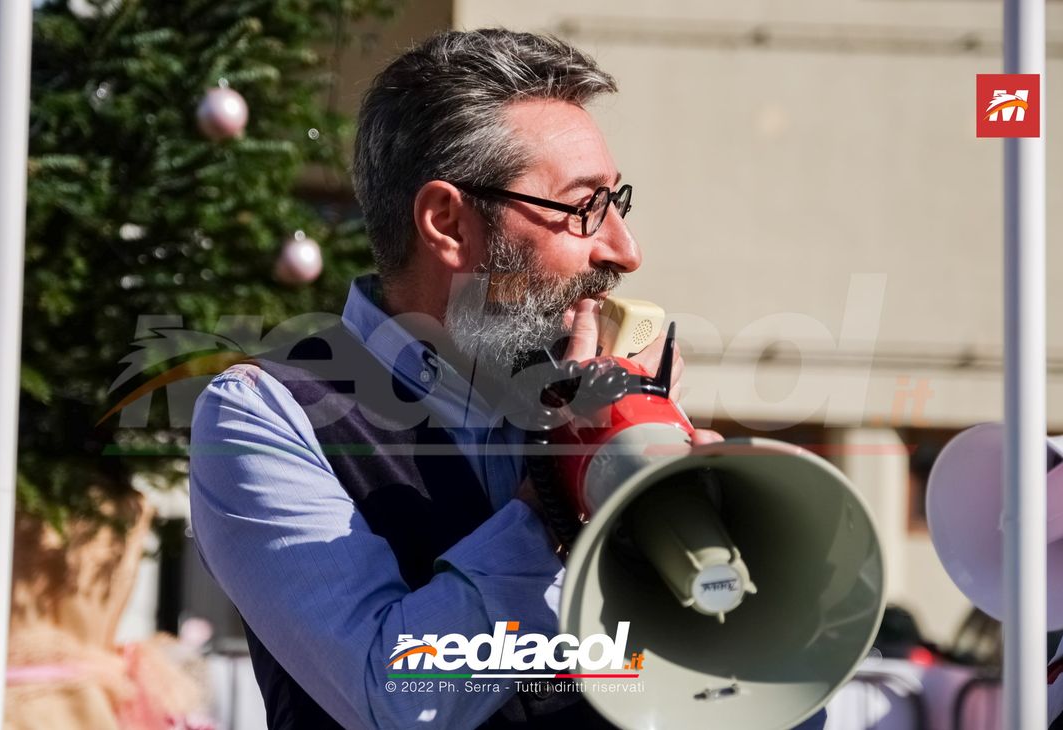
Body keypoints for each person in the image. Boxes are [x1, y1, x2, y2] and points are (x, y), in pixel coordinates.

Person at [189, 29, 826, 730]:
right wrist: (555, 499)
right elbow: (390, 697)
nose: (625, 250)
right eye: (584, 208)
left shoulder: (594, 389)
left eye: (618, 203)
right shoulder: (266, 413)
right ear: (448, 223)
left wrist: (708, 536)